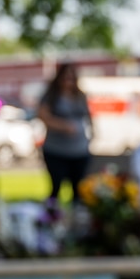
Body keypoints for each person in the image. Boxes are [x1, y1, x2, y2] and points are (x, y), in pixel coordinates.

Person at [37, 63, 92, 204]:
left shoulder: (80, 96)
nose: (68, 80)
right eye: (65, 76)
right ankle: (52, 216)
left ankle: (75, 219)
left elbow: (88, 117)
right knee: (56, 186)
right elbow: (43, 116)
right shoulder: (51, 96)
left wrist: (93, 134)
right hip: (56, 149)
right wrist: (63, 126)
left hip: (79, 149)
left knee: (78, 189)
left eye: (71, 77)